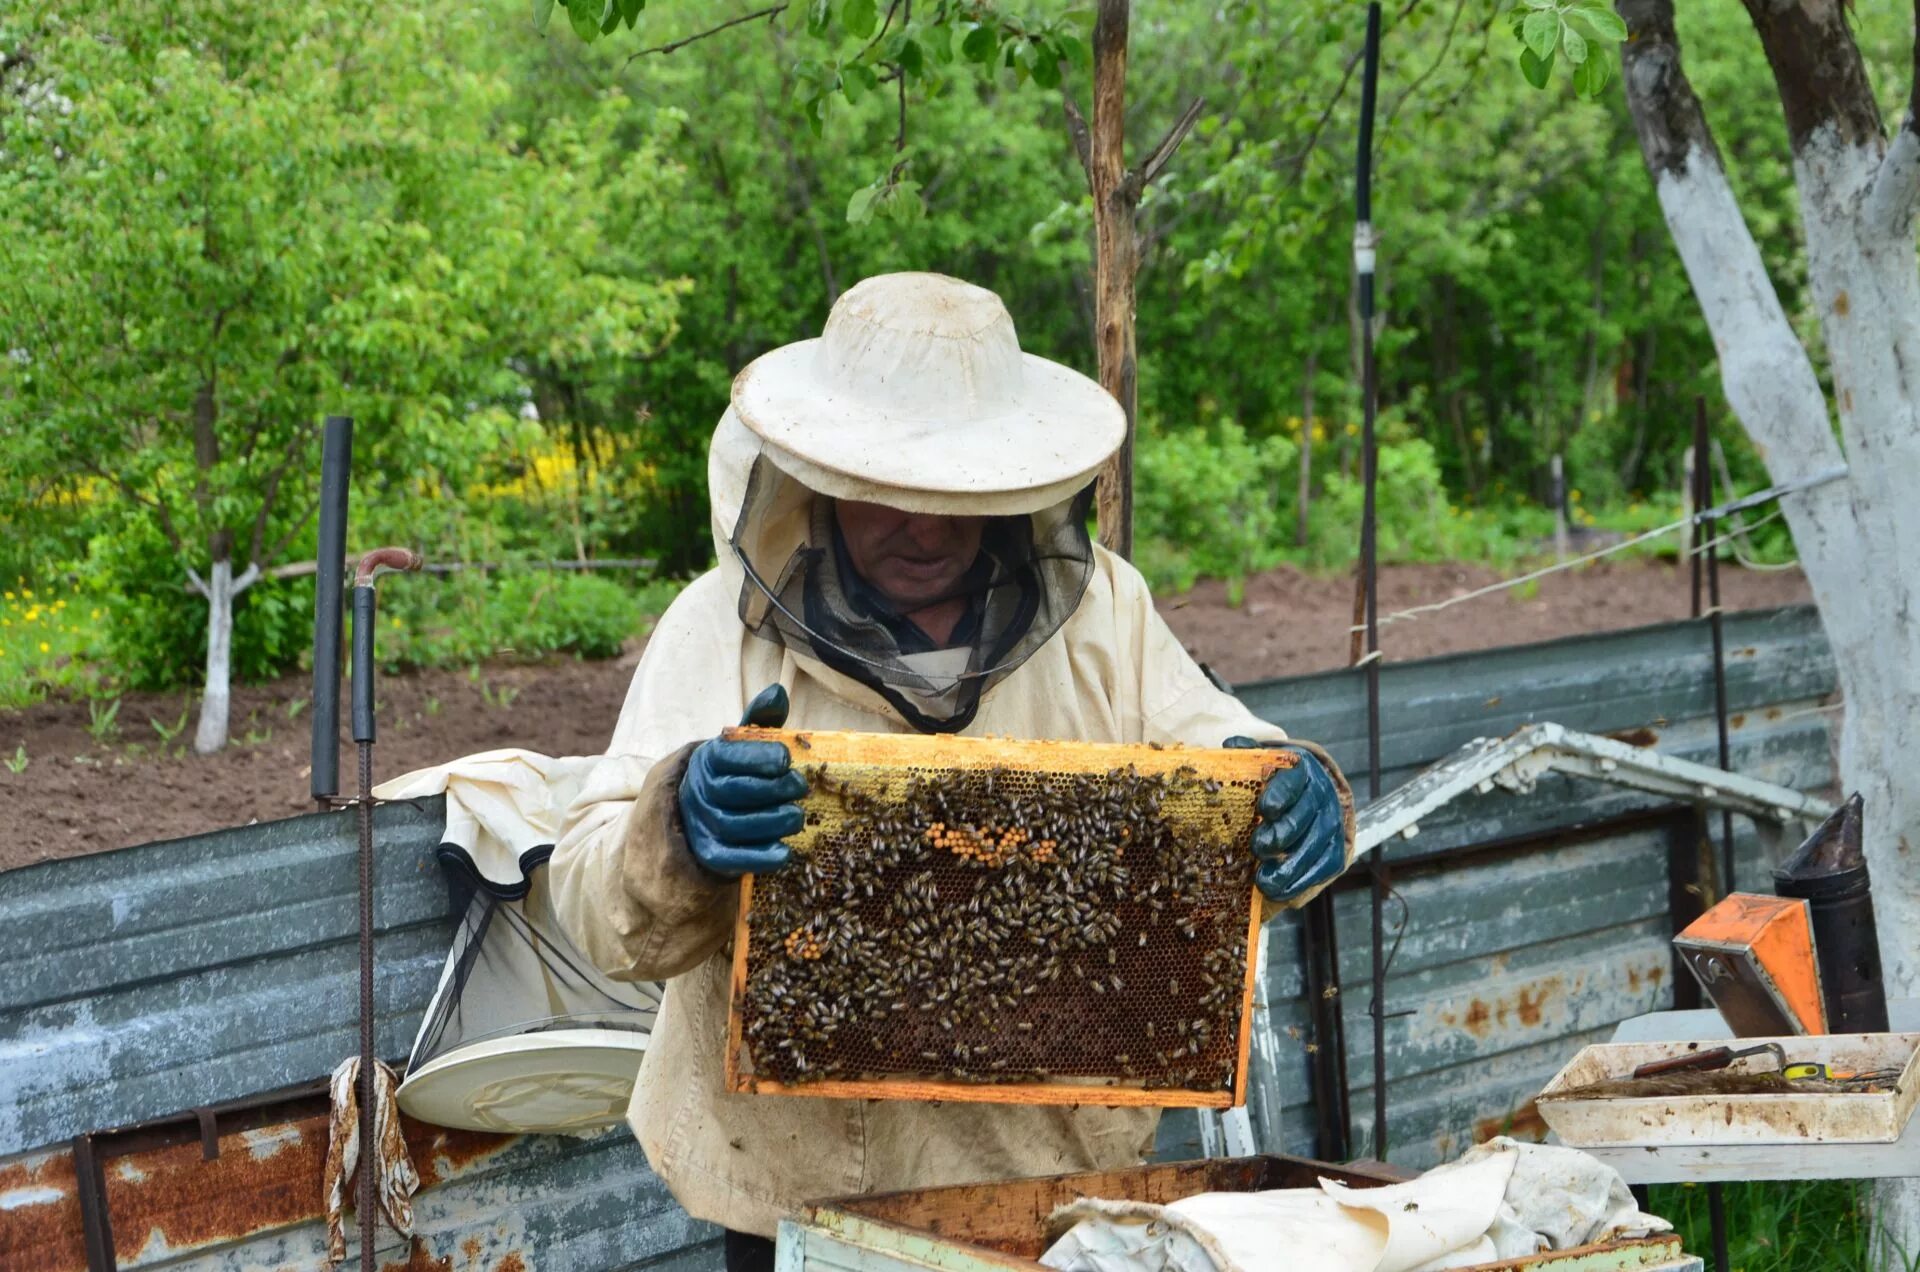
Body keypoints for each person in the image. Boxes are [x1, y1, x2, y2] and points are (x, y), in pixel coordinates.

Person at [550, 272, 1357, 1272]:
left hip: (1060, 1198)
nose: (925, 530)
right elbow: (589, 900)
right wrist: (679, 826)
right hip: (803, 1200)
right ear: (823, 474)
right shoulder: (719, 628)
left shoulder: (1106, 613)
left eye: (957, 497)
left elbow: (1232, 767)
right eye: (892, 495)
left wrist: (1294, 794)